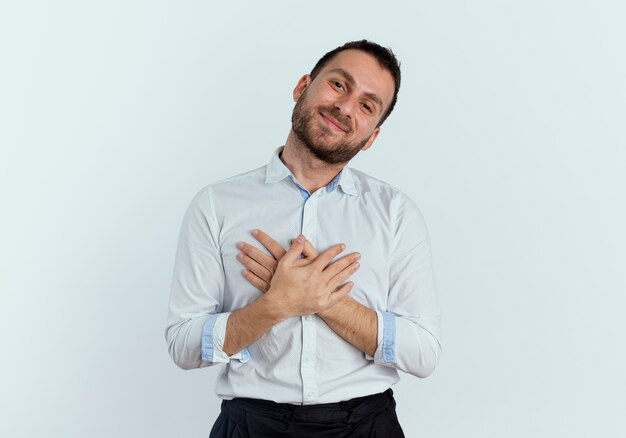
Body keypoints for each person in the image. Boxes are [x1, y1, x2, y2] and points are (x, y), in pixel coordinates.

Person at [165, 40, 442, 438]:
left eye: (367, 105)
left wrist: (323, 299)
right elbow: (183, 345)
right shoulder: (215, 205)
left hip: (367, 426)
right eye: (339, 85)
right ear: (302, 87)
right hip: (250, 426)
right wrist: (276, 305)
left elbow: (424, 353)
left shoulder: (397, 214)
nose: (345, 108)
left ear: (372, 137)